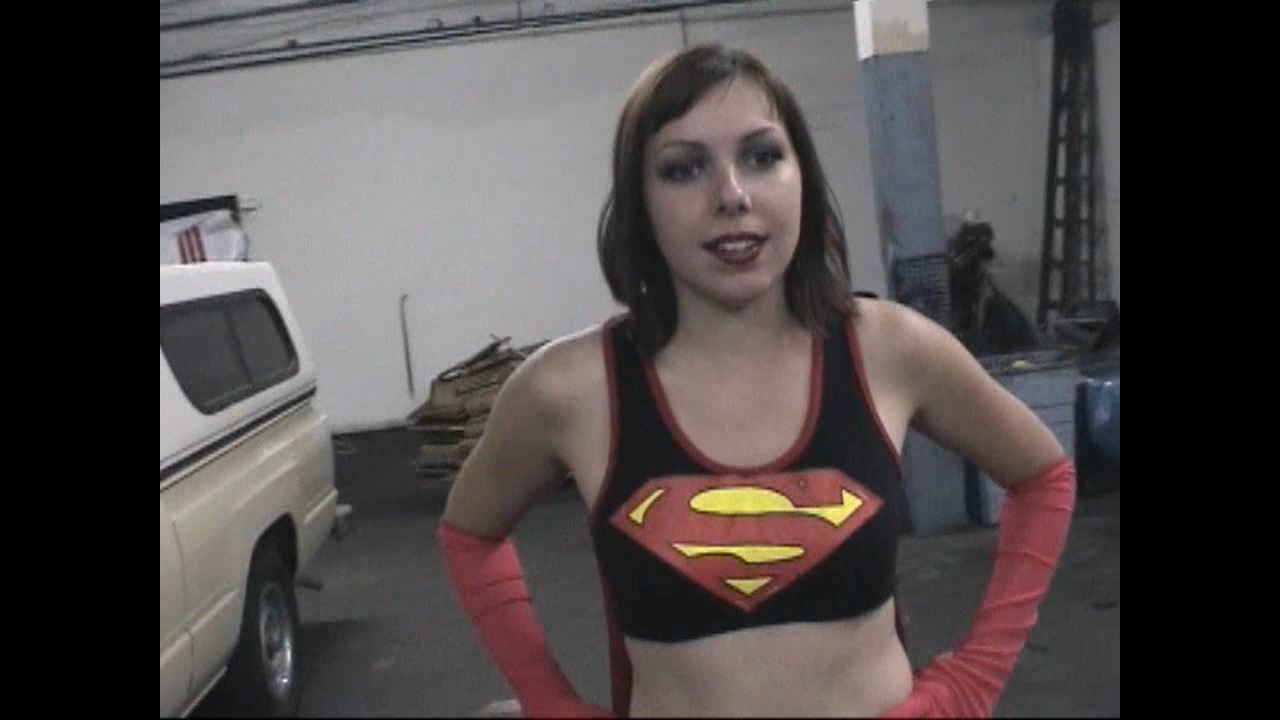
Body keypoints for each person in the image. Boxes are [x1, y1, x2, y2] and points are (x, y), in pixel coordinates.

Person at [437, 43, 1076, 718]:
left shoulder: (891, 350)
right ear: (639, 202)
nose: (732, 196)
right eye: (684, 169)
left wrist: (974, 680)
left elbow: (1043, 477)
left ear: (804, 177)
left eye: (762, 156)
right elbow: (470, 534)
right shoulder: (570, 389)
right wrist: (549, 702)